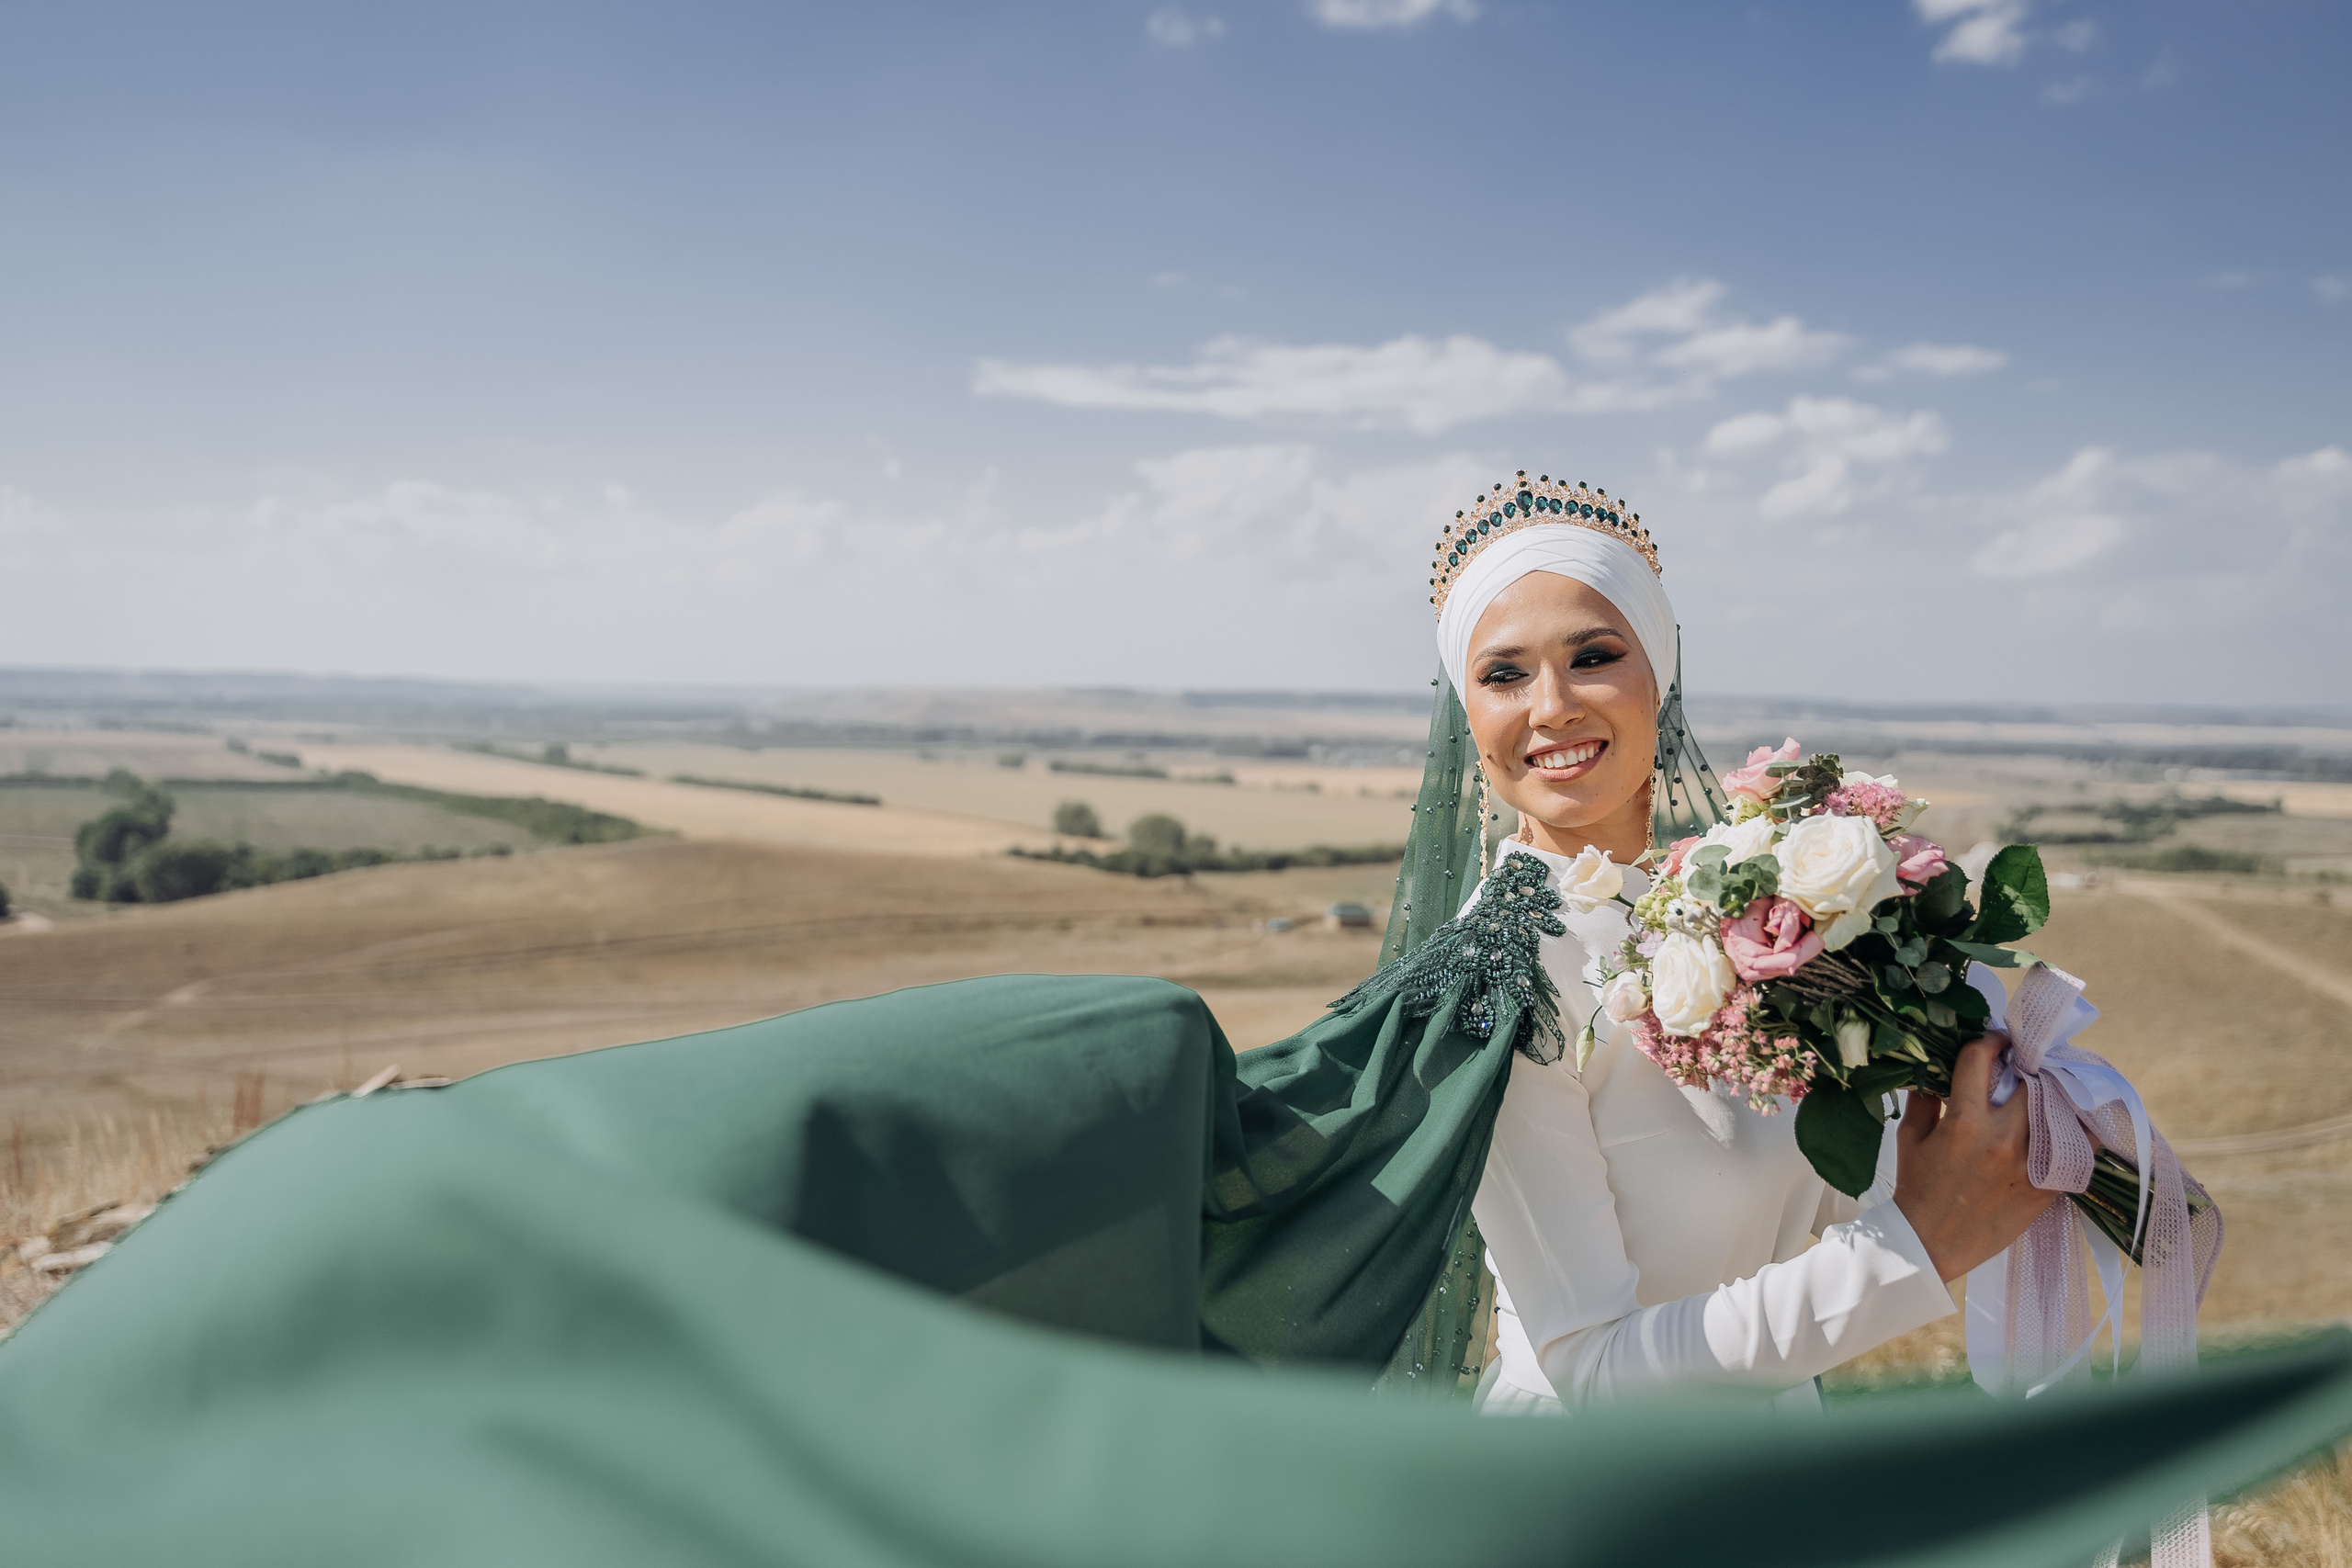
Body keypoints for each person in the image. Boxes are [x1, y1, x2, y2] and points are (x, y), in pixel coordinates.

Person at [1416, 472, 2058, 1414]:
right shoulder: (1499, 971)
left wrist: (1984, 1083)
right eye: (1503, 673)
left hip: (1769, 1467)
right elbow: (1589, 1368)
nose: (1549, 706)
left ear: (1660, 676)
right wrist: (1920, 1244)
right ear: (1467, 716)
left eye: (1592, 655)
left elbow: (1831, 1187)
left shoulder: (1745, 916)